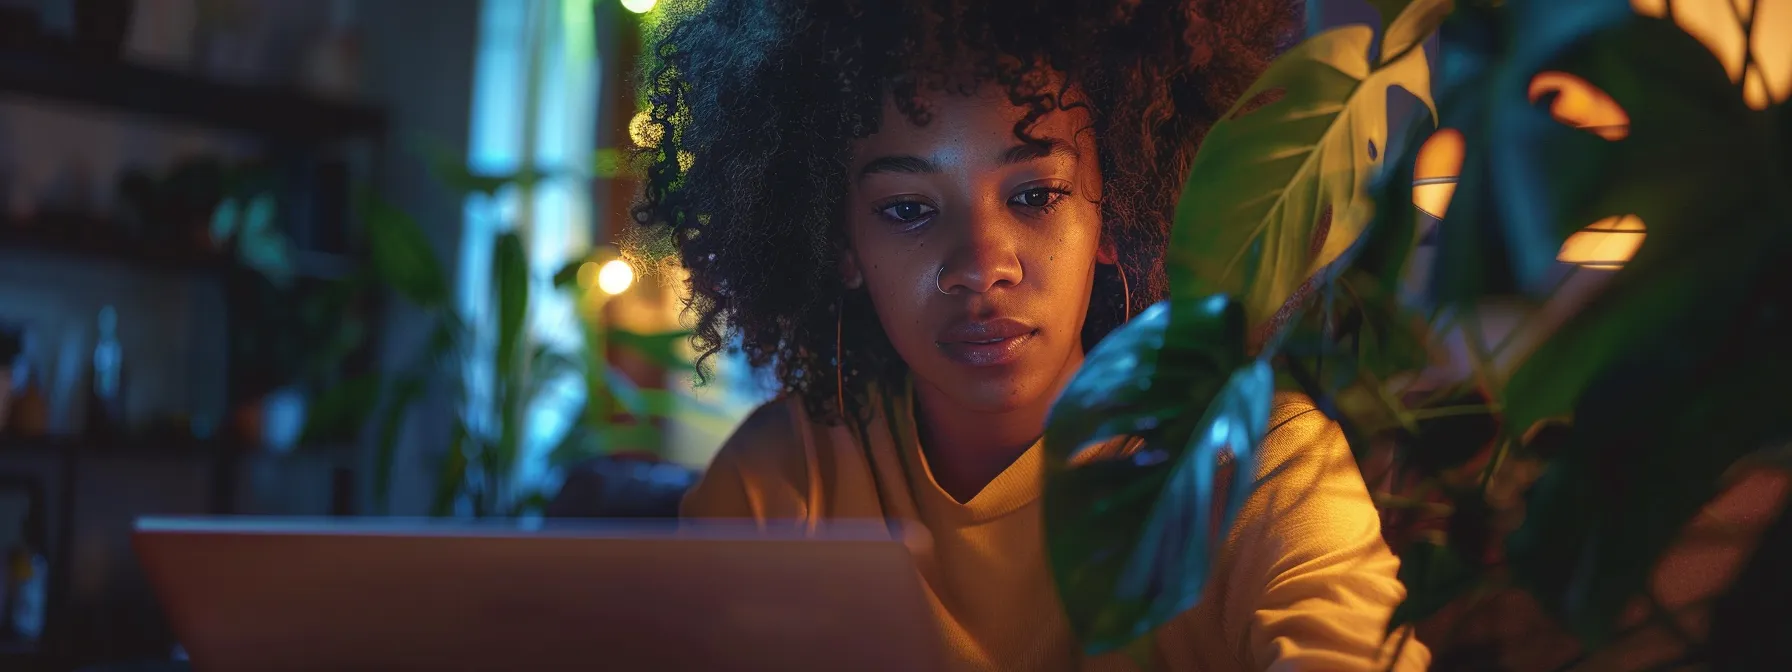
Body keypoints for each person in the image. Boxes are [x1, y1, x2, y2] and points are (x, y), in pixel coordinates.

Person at [630, 0, 1428, 669]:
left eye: (1036, 195)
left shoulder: (1253, 461)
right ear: (840, 245)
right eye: (908, 208)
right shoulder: (785, 478)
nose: (981, 267)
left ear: (1113, 215)